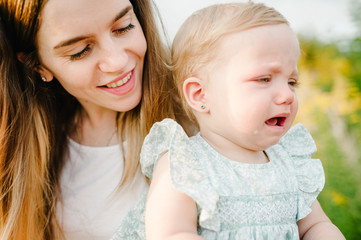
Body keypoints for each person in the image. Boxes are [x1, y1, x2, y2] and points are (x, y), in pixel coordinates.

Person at [113, 2, 346, 240]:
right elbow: (172, 233)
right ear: (200, 94)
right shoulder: (185, 164)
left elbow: (315, 225)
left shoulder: (289, 164)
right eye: (264, 79)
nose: (287, 95)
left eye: (291, 82)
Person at [0, 0, 192, 239]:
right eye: (80, 51)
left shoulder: (203, 116)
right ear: (39, 66)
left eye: (123, 27)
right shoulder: (23, 158)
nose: (117, 62)